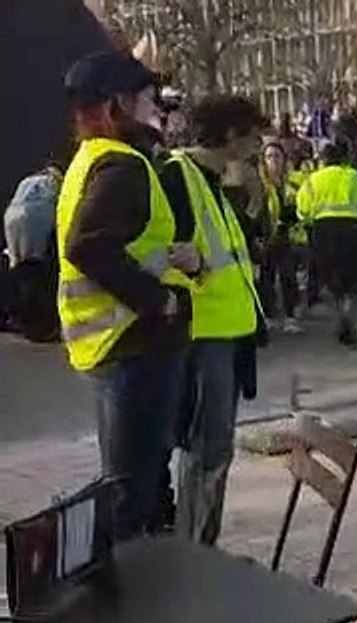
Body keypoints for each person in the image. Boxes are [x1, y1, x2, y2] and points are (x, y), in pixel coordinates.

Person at [57, 51, 200, 538]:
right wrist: (157, 300)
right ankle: (128, 577)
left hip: (117, 347)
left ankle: (137, 568)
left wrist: (177, 261)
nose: (155, 105)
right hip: (134, 346)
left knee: (131, 482)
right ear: (115, 105)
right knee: (132, 492)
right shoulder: (121, 167)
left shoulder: (94, 159)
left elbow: (122, 244)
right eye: (145, 97)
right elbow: (88, 246)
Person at [158, 95, 265, 545]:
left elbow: (235, 255)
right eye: (254, 137)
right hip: (205, 334)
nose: (258, 147)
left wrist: (253, 202)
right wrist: (191, 267)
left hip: (229, 332)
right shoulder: (178, 176)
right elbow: (163, 252)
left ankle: (201, 543)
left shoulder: (213, 183)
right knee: (207, 450)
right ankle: (196, 548)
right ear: (230, 136)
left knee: (214, 449)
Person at [295, 140, 357, 346]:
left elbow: (302, 210)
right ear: (344, 160)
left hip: (323, 233)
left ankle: (340, 315)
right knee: (355, 283)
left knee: (332, 282)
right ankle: (348, 319)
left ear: (323, 161)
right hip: (353, 232)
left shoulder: (312, 181)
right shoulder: (354, 178)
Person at [4, 161, 64, 342]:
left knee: (19, 268)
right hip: (38, 220)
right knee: (36, 271)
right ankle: (39, 324)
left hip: (12, 220)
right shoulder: (55, 182)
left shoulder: (28, 181)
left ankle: (18, 316)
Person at [258, 141, 303, 333]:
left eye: (277, 156)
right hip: (267, 236)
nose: (274, 161)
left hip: (285, 235)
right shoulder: (260, 186)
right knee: (266, 277)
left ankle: (290, 316)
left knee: (288, 276)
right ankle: (268, 315)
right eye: (269, 157)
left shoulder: (291, 184)